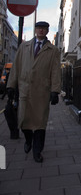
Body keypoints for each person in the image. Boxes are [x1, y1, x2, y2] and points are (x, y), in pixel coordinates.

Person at [7, 21, 61, 163]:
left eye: (44, 29)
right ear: (35, 30)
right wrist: (11, 86)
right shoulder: (23, 47)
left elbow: (56, 71)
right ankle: (28, 139)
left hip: (41, 92)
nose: (41, 31)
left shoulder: (53, 50)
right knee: (24, 120)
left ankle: (37, 151)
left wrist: (55, 91)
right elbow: (16, 68)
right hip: (25, 90)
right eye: (39, 28)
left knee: (40, 123)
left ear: (47, 31)